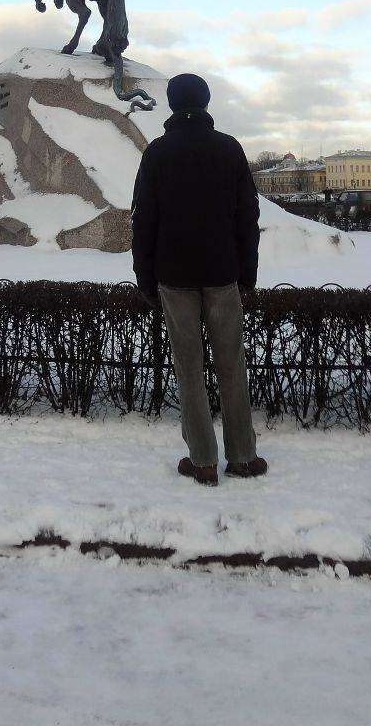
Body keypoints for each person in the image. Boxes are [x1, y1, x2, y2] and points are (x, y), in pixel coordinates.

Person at [131, 73, 267, 487]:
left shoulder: (157, 153)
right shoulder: (229, 149)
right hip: (223, 274)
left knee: (188, 370)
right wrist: (247, 273)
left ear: (172, 105)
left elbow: (143, 222)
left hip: (174, 277)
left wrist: (145, 277)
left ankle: (204, 461)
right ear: (206, 103)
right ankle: (242, 456)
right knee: (231, 366)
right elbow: (248, 217)